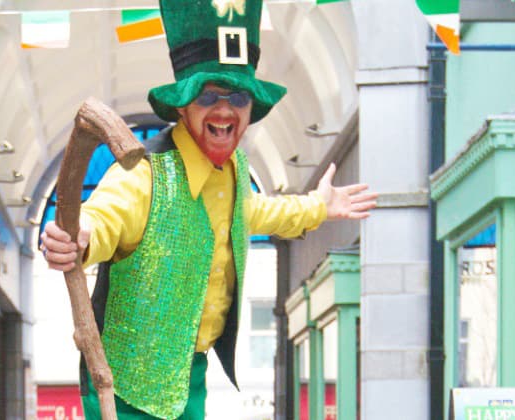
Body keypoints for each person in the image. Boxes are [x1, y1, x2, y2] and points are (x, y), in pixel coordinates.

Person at [40, 1, 377, 418]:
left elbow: (256, 213)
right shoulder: (145, 173)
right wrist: (78, 235)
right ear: (182, 105)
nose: (223, 109)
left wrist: (318, 208)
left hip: (187, 375)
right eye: (207, 95)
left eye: (237, 95)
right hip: (125, 380)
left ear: (250, 108)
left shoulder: (235, 170)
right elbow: (105, 215)